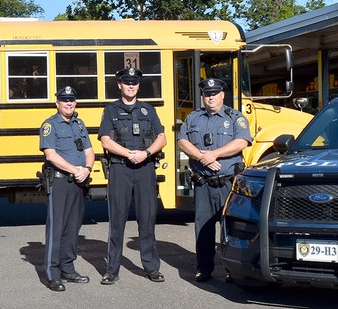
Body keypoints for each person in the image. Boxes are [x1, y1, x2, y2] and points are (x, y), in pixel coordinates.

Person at [175, 78, 252, 282]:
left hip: (228, 182)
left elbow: (242, 141)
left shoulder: (234, 117)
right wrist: (202, 157)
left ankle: (231, 269)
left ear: (222, 95)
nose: (210, 97)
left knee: (231, 227)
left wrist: (214, 154)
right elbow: (182, 142)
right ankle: (204, 267)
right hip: (203, 182)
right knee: (203, 228)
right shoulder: (193, 118)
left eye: (214, 93)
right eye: (207, 94)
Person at [98, 67, 167, 285]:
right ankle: (112, 270)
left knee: (147, 218)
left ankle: (151, 267)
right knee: (117, 221)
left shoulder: (149, 110)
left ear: (138, 85)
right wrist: (129, 154)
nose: (131, 86)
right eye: (127, 82)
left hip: (145, 168)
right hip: (120, 168)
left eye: (134, 83)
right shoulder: (111, 110)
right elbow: (105, 140)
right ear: (119, 85)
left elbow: (162, 138)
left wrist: (145, 153)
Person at [39, 85, 95, 292]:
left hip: (79, 181)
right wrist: (75, 170)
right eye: (64, 101)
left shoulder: (79, 125)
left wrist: (87, 169)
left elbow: (90, 151)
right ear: (57, 103)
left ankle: (68, 268)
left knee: (73, 227)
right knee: (56, 228)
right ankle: (53, 274)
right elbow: (50, 155)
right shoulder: (50, 125)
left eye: (72, 100)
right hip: (60, 181)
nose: (69, 104)